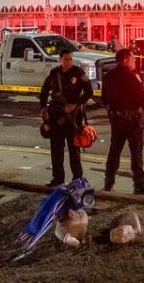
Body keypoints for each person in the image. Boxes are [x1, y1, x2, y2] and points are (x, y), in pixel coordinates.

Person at [39, 49, 93, 187]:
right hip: (56, 116)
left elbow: (89, 92)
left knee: (74, 151)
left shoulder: (78, 73)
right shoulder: (54, 73)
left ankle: (77, 180)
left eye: (70, 59)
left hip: (72, 118)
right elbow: (44, 91)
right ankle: (58, 179)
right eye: (66, 59)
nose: (68, 61)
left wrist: (75, 104)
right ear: (60, 60)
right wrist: (43, 108)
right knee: (56, 151)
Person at [102, 48, 144, 195]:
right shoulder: (132, 76)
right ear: (125, 61)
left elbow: (104, 99)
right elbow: (143, 97)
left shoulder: (109, 76)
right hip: (133, 121)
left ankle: (108, 182)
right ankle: (139, 184)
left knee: (114, 153)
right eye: (133, 58)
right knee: (136, 153)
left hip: (117, 120)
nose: (135, 61)